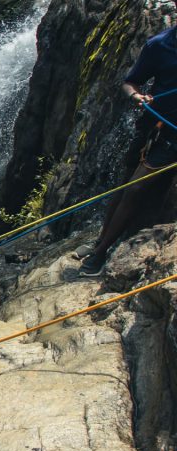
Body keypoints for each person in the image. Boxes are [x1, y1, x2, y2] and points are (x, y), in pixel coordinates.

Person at [78, 25, 177, 276]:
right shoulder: (159, 45)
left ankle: (100, 255)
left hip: (173, 136)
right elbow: (130, 82)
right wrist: (136, 96)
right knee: (124, 185)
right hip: (153, 125)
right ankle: (100, 241)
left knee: (135, 188)